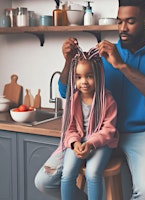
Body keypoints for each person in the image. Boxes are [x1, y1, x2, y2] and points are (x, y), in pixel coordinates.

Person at [57, 0, 145, 199]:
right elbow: (65, 92)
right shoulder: (103, 53)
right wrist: (68, 63)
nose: (122, 28)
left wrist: (122, 66)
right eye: (119, 22)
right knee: (45, 181)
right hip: (99, 129)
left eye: (130, 21)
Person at [35, 47, 119, 200]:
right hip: (78, 141)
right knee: (67, 174)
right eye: (79, 77)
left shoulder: (108, 100)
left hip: (100, 143)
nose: (83, 82)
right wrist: (74, 144)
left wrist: (91, 144)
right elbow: (69, 128)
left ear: (99, 76)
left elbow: (109, 130)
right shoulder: (72, 101)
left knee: (93, 173)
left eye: (89, 76)